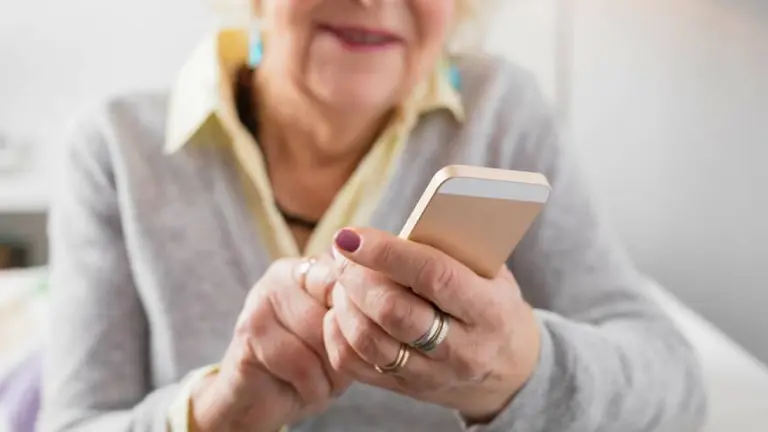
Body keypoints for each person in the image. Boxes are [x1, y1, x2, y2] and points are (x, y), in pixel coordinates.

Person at [39, 0, 708, 431]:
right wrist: (218, 413)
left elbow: (674, 384)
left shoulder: (502, 114)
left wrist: (518, 370)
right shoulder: (117, 147)